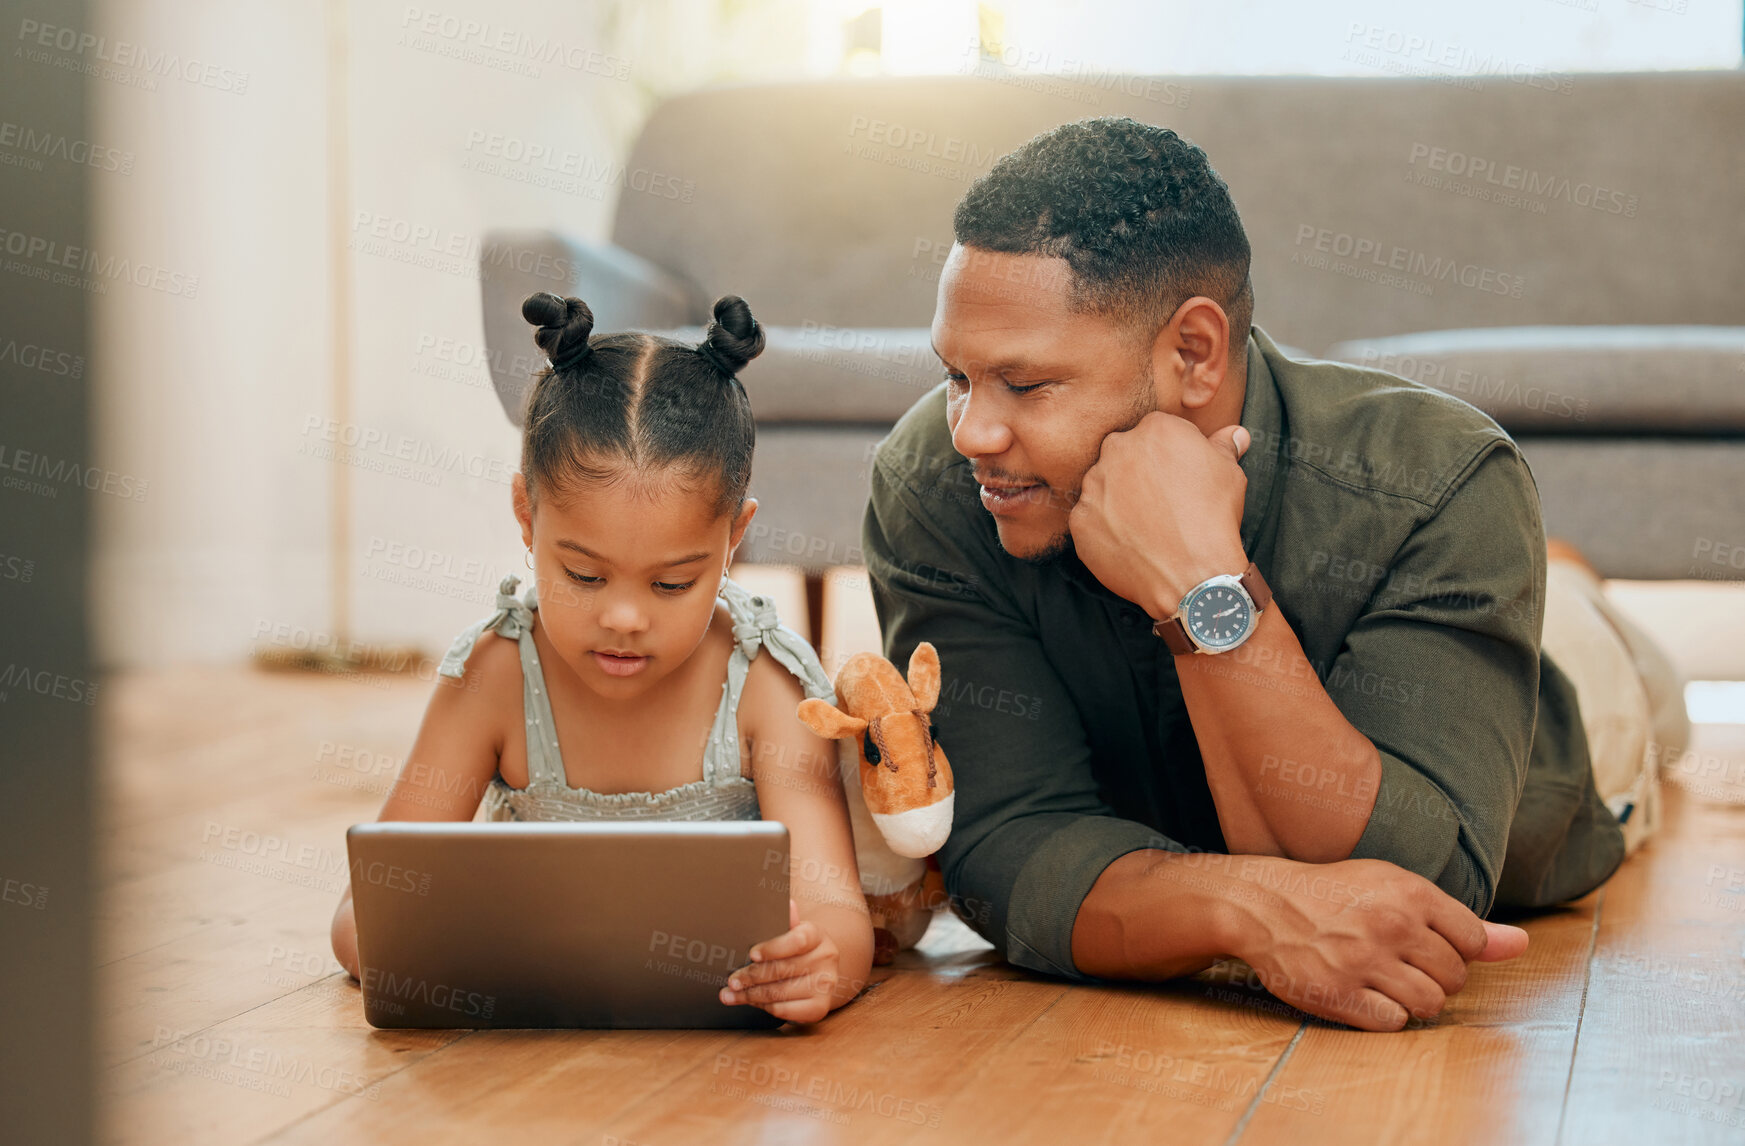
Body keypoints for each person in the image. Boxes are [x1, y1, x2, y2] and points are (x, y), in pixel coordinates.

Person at [863, 117, 1658, 1032]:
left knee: (1606, 649)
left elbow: (1412, 887)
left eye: (1027, 384)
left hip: (1578, 734)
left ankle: (1577, 591)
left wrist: (1201, 580)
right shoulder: (935, 479)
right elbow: (1005, 853)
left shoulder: (1441, 481)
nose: (971, 433)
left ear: (1192, 353)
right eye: (955, 376)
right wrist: (1244, 910)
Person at [330, 291, 873, 1024]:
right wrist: (444, 952)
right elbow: (366, 914)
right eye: (584, 576)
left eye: (672, 583)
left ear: (734, 535)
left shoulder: (764, 683)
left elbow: (837, 914)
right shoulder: (494, 675)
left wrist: (819, 967)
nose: (623, 617)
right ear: (526, 515)